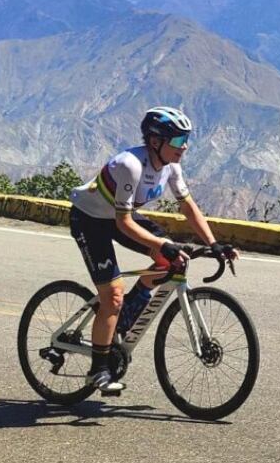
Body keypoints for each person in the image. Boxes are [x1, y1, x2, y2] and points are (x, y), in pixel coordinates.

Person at [68, 106, 237, 395]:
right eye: (177, 140)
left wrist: (213, 243)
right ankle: (98, 369)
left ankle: (121, 321)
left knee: (172, 262)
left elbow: (187, 206)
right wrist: (161, 244)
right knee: (113, 294)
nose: (183, 146)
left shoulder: (171, 166)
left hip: (122, 218)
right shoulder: (130, 166)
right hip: (91, 221)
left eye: (186, 139)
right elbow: (123, 223)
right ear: (155, 141)